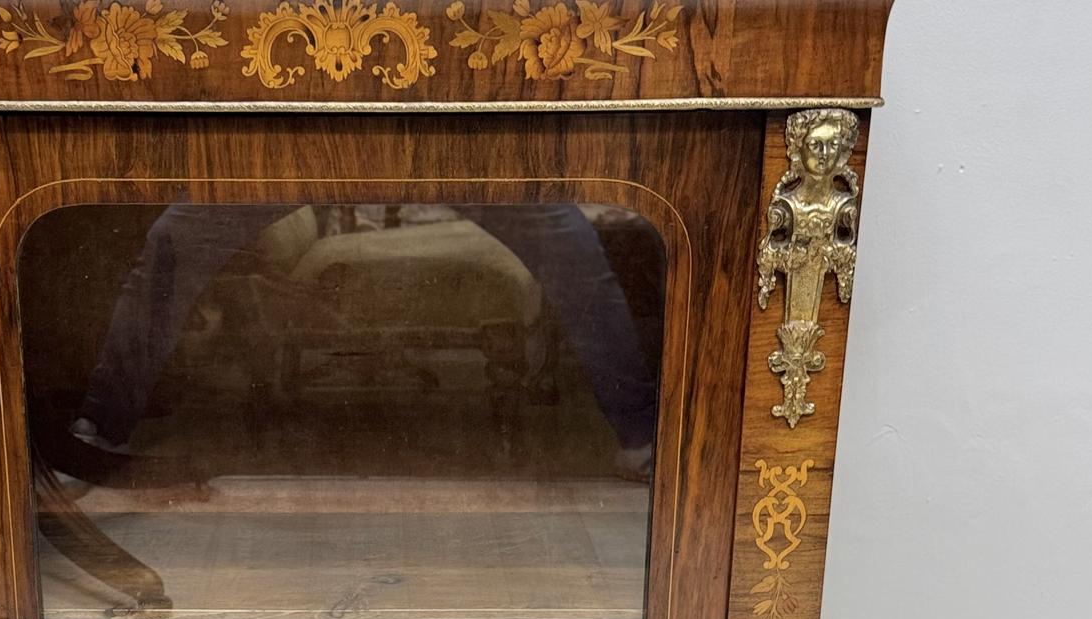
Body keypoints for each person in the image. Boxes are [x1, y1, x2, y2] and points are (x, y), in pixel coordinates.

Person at [67, 202, 658, 475]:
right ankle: (98, 425)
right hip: (309, 115)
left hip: (448, 114)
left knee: (569, 238)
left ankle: (640, 434)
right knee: (174, 237)